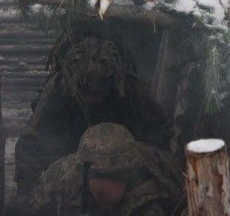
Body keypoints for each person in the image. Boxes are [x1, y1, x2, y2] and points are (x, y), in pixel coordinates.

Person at [14, 37, 172, 196]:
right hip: (71, 164)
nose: (92, 96)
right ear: (74, 84)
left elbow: (157, 135)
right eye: (86, 88)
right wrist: (30, 197)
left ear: (110, 81)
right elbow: (30, 144)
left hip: (122, 170)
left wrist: (132, 160)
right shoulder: (58, 93)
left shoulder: (128, 92)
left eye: (99, 87)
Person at [10, 123, 186, 216]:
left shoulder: (151, 192)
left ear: (129, 173)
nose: (107, 187)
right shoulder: (64, 179)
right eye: (100, 175)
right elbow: (31, 208)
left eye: (116, 177)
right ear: (86, 171)